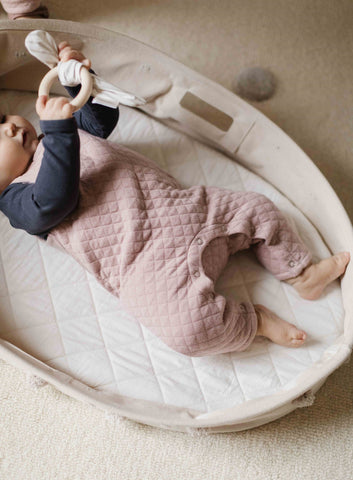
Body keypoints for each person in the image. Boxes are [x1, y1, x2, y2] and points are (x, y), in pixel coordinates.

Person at [0, 42, 349, 356]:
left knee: (259, 209)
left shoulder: (63, 132)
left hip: (186, 210)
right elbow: (52, 200)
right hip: (144, 267)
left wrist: (78, 80)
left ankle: (302, 275)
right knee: (188, 333)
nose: (10, 128)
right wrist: (58, 132)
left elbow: (102, 120)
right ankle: (254, 321)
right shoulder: (16, 201)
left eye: (2, 120)